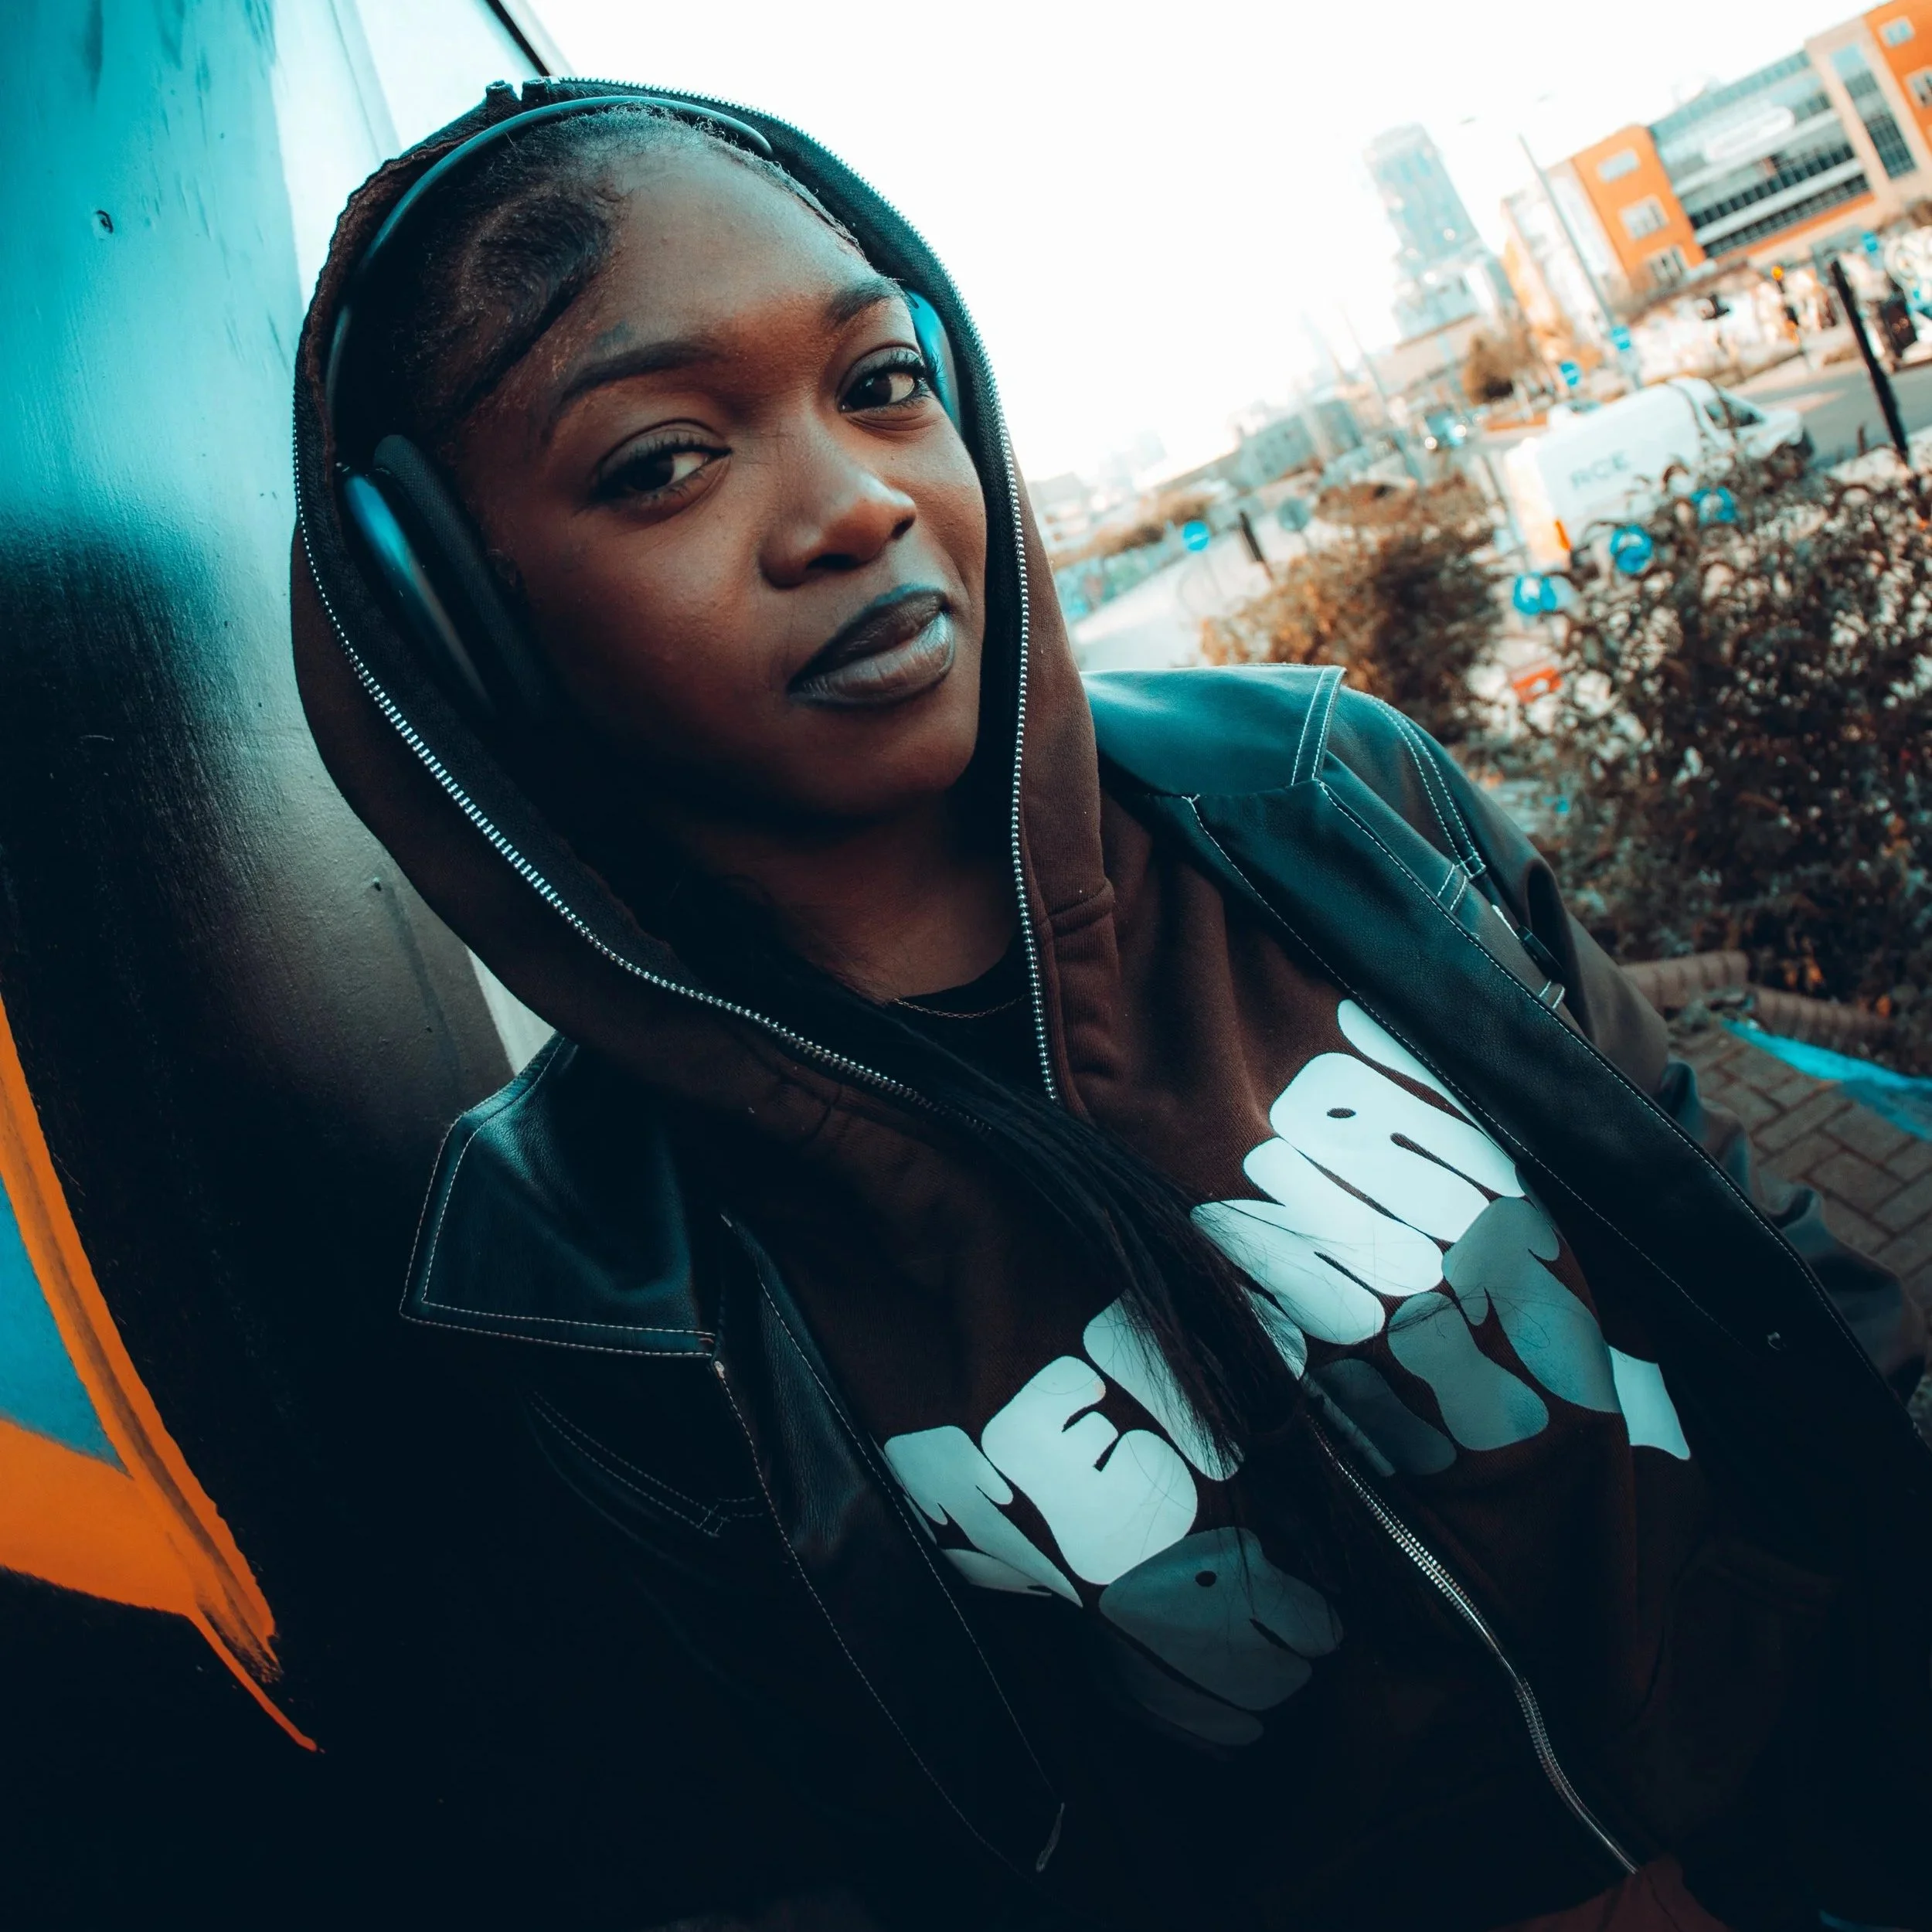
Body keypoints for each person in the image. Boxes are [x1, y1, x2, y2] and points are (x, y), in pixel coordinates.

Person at [291, 80, 1932, 1932]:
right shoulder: (579, 1272)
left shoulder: (1322, 788)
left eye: (880, 382)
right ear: (457, 622)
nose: (853, 505)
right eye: (665, 459)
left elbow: (1766, 1264)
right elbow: (827, 1861)